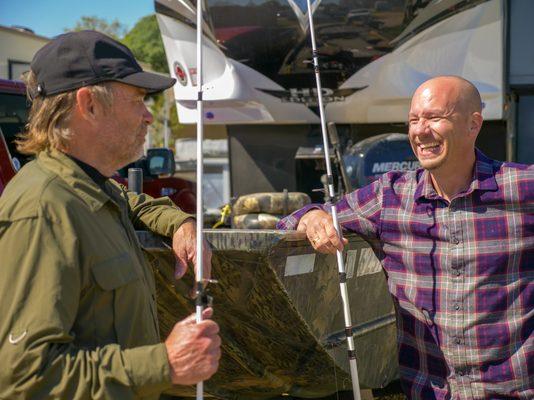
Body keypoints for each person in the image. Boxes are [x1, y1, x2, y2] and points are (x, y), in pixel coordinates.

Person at [278, 76, 533, 399]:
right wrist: (313, 217)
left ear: (473, 125)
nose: (420, 130)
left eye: (434, 117)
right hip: (428, 392)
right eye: (414, 119)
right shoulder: (389, 197)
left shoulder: (522, 187)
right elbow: (288, 223)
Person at [0, 31, 220, 399]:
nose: (149, 117)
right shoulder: (44, 209)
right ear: (89, 105)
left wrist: (181, 223)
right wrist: (164, 364)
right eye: (137, 100)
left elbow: (132, 202)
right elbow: (23, 376)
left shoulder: (91, 186)